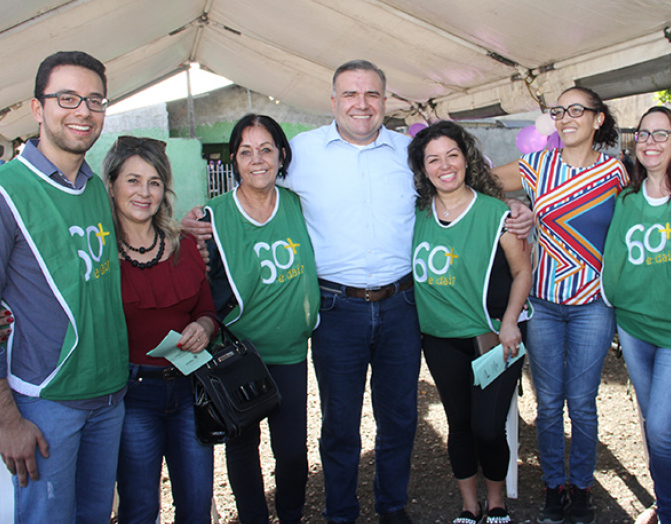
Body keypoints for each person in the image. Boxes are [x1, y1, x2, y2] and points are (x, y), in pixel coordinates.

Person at [183, 60, 531, 524]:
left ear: (385, 101)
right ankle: (341, 512)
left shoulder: (410, 153)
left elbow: (460, 185)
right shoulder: (301, 153)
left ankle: (392, 507)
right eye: (350, 94)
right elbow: (254, 183)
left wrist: (511, 206)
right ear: (333, 101)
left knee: (400, 418)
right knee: (340, 423)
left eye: (371, 94)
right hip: (336, 308)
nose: (361, 104)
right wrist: (200, 219)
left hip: (403, 305)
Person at [0, 51, 128, 523]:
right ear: (37, 107)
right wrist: (8, 421)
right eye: (67, 98)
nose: (83, 111)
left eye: (95, 100)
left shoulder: (94, 187)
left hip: (109, 395)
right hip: (46, 404)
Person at [493, 86, 628, 524]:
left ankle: (582, 487)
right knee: (549, 403)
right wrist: (512, 204)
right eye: (559, 111)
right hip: (544, 303)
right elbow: (479, 183)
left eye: (576, 110)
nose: (566, 118)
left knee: (583, 402)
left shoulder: (617, 173)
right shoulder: (536, 165)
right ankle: (555, 486)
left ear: (597, 119)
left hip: (595, 304)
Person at [408, 121, 532, 524]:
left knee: (488, 427)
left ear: (467, 159)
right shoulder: (417, 215)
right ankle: (469, 506)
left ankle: (497, 502)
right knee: (459, 423)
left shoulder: (497, 213)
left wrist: (510, 321)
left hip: (493, 337)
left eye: (452, 155)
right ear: (422, 168)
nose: (444, 166)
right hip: (440, 338)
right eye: (433, 159)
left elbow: (522, 272)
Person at [601, 107, 671, 524]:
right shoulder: (627, 198)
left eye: (661, 134)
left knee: (663, 429)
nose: (649, 142)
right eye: (643, 134)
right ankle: (666, 501)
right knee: (654, 425)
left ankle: (669, 513)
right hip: (633, 328)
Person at [205, 114, 319, 524]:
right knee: (242, 447)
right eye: (246, 151)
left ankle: (290, 515)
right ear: (234, 159)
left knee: (292, 452)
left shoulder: (299, 205)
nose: (257, 159)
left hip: (289, 351)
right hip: (238, 356)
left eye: (266, 149)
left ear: (281, 155)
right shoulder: (210, 218)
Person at [102, 136, 218, 524]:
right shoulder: (100, 253)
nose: (144, 192)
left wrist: (203, 327)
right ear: (112, 185)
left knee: (197, 506)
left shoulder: (184, 245)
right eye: (133, 180)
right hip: (132, 395)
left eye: (154, 182)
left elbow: (207, 311)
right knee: (139, 509)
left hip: (189, 388)